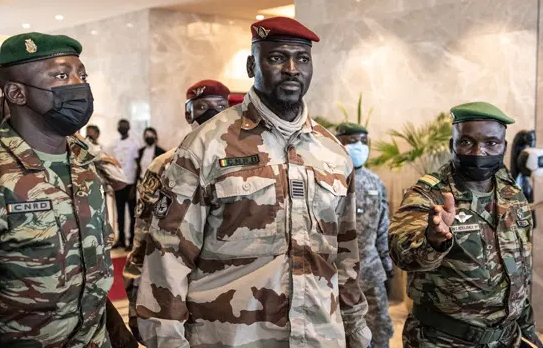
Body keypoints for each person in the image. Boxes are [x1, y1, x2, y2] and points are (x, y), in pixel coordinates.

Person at [136, 17, 371, 348]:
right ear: (251, 65)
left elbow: (345, 251)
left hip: (319, 335)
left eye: (302, 59)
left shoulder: (332, 152)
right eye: (276, 58)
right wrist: (167, 338)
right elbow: (169, 253)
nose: (291, 69)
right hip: (232, 336)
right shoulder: (206, 146)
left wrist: (354, 324)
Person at [0, 32, 136, 348]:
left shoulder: (83, 161)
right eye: (62, 75)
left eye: (81, 74)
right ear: (17, 93)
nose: (79, 85)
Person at [389, 101, 542, 348]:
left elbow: (520, 269)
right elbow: (401, 254)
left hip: (507, 339)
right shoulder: (429, 193)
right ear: (453, 144)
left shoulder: (511, 191)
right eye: (466, 142)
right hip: (444, 340)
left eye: (491, 143)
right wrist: (432, 240)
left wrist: (527, 329)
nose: (478, 152)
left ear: (504, 146)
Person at [123, 79, 230, 343]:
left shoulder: (247, 162)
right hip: (183, 286)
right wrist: (137, 295)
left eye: (221, 106)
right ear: (188, 112)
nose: (212, 113)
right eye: (202, 106)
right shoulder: (165, 164)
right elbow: (144, 236)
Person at [336, 122, 394, 348]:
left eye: (363, 141)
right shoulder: (328, 177)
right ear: (339, 142)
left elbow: (382, 228)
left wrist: (388, 268)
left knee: (379, 329)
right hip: (335, 274)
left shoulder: (375, 182)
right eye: (352, 141)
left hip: (370, 271)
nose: (358, 146)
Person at [111, 119, 140, 250]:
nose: (122, 128)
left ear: (128, 128)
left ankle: (131, 240)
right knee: (120, 213)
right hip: (119, 183)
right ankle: (121, 240)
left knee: (132, 214)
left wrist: (134, 186)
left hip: (130, 184)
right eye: (120, 126)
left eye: (124, 126)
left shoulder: (134, 144)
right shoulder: (115, 144)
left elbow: (137, 165)